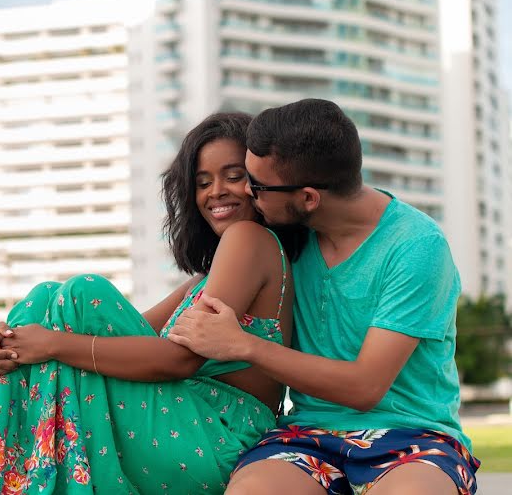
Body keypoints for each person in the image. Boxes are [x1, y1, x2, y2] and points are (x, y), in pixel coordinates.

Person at [0, 112, 305, 494]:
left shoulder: (249, 238)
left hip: (219, 437)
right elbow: (116, 338)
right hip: (190, 425)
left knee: (83, 294)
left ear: (260, 182)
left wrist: (51, 343)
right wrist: (11, 339)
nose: (215, 191)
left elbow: (178, 359)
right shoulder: (207, 280)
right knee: (44, 302)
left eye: (233, 176)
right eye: (202, 182)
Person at [168, 99, 479, 495]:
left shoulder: (417, 246)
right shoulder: (282, 238)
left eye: (257, 186)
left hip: (413, 438)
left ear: (309, 198)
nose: (247, 191)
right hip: (306, 436)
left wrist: (242, 345)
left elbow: (365, 387)